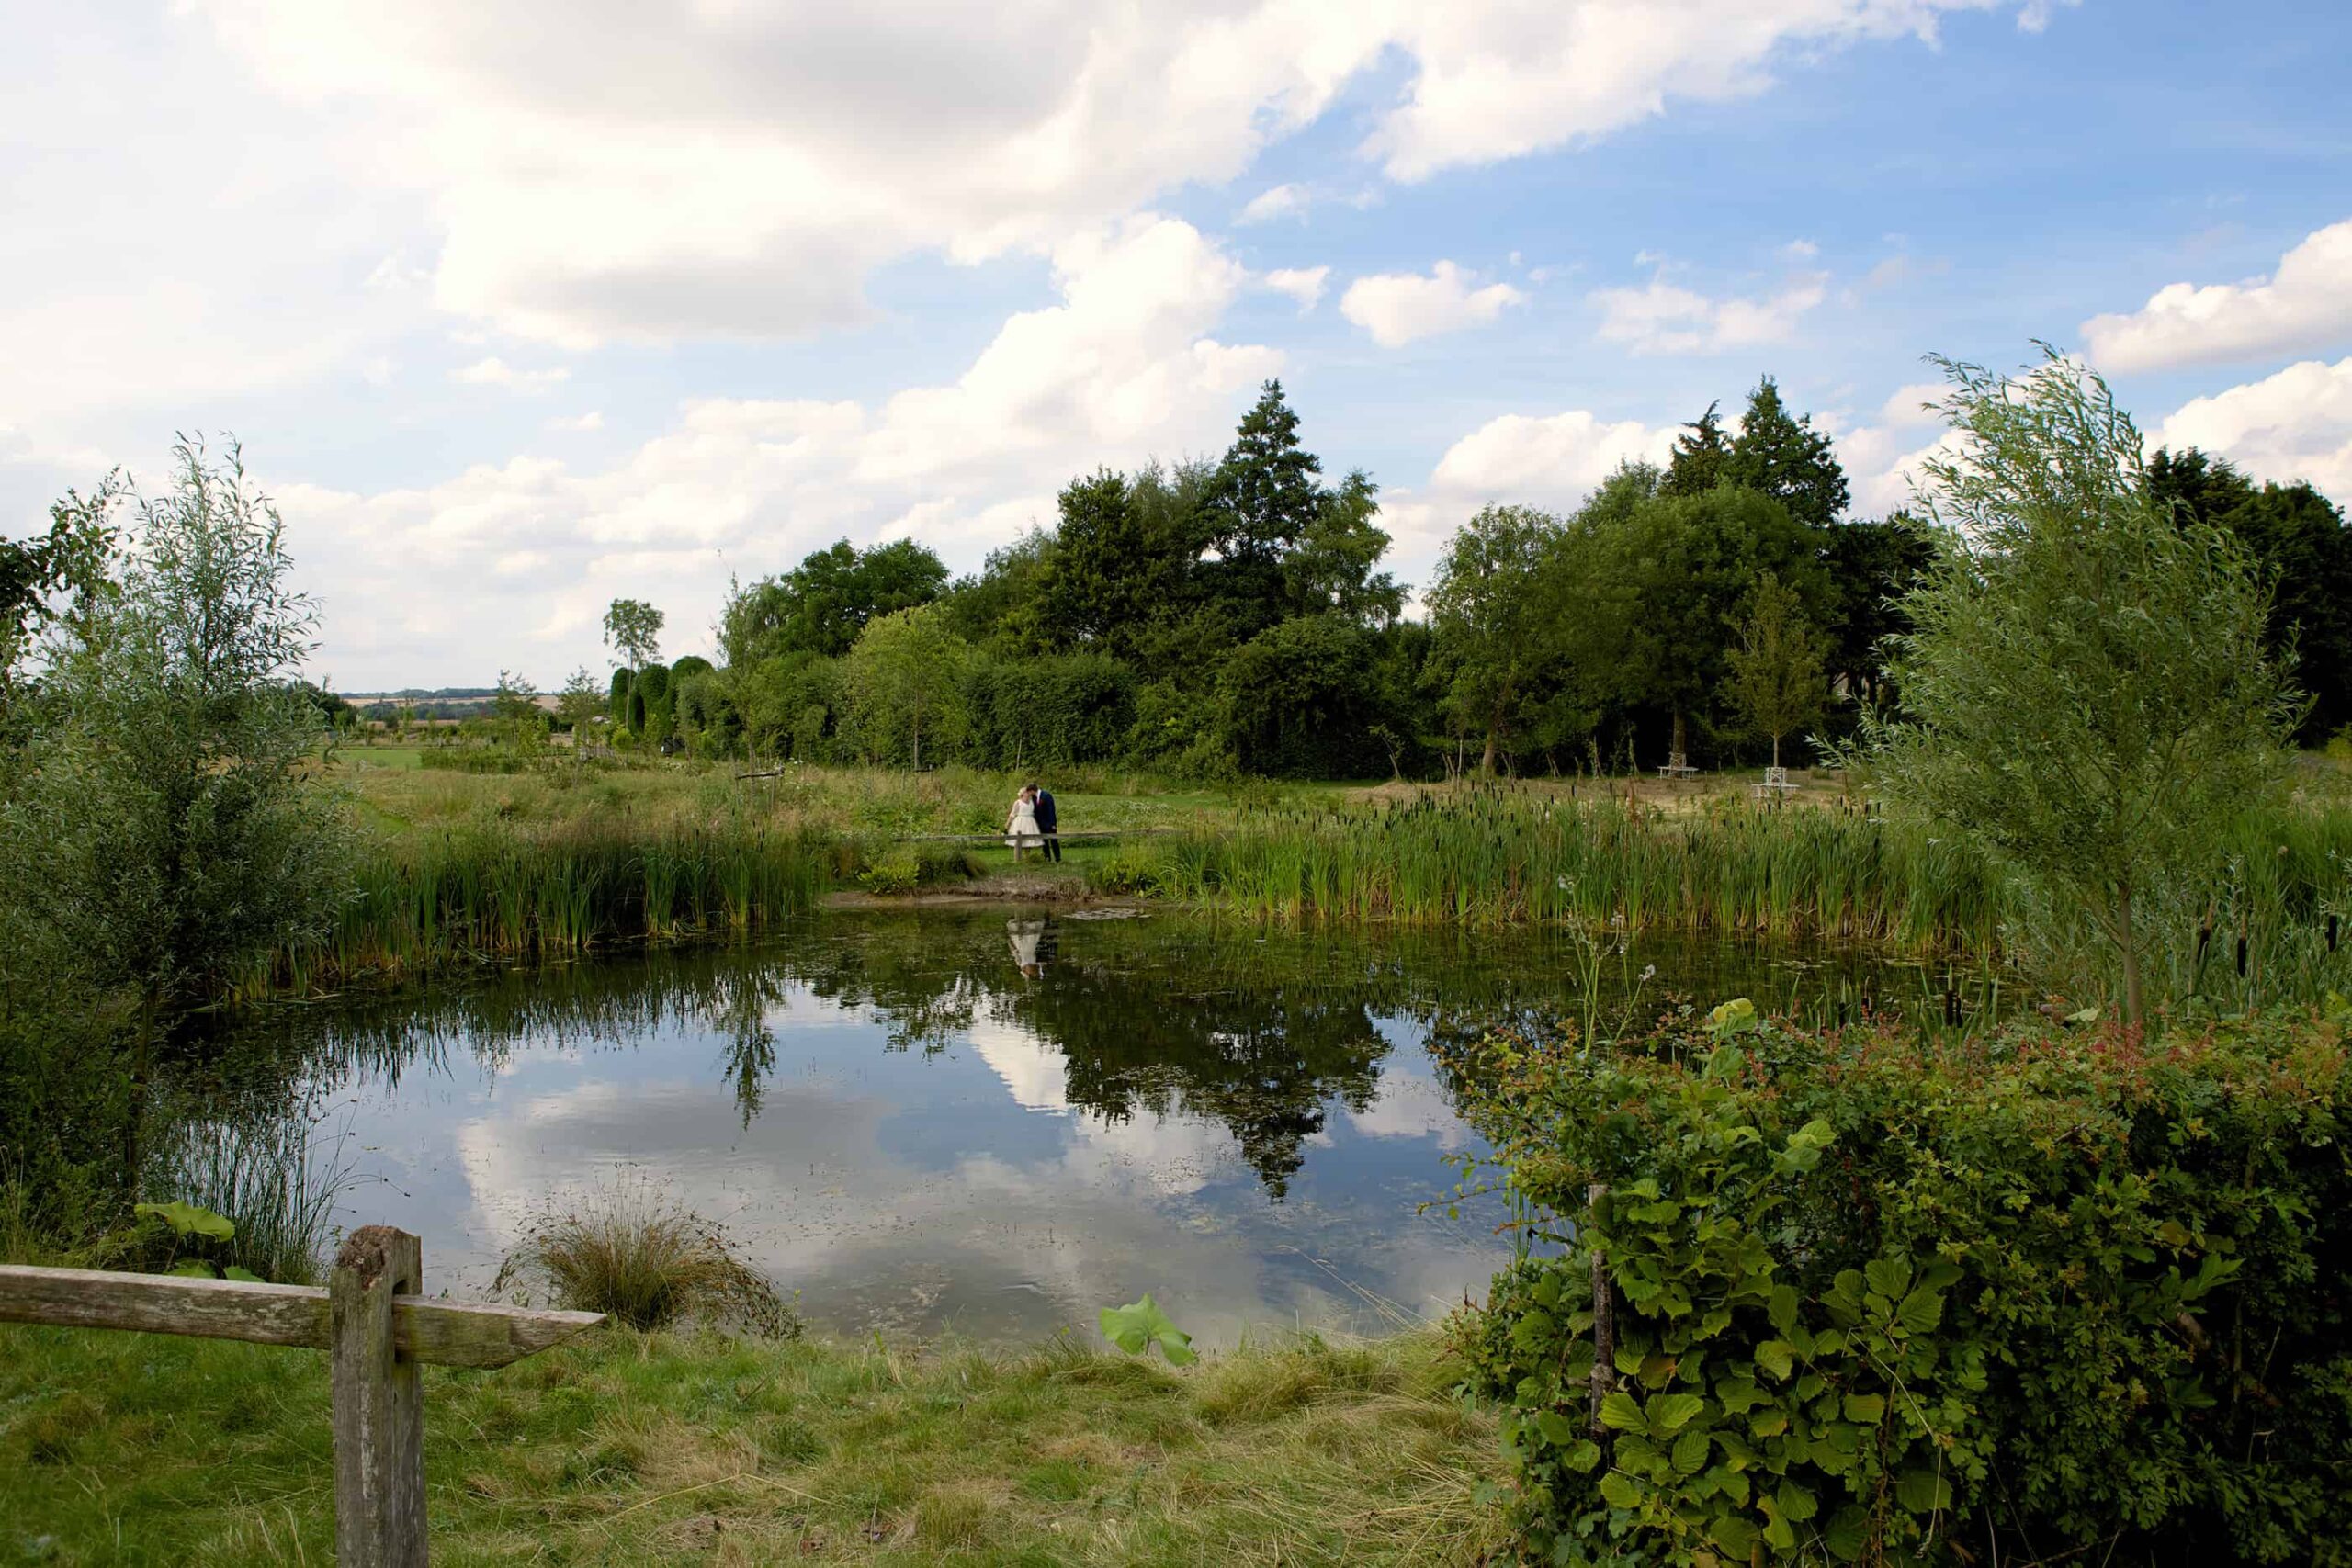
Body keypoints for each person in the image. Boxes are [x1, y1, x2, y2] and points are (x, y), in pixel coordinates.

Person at [1005, 784, 1041, 861]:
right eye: (1026, 792)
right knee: (1017, 841)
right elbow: (1012, 814)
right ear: (1022, 794)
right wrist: (1007, 824)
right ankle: (1017, 859)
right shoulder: (1018, 802)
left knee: (1029, 841)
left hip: (1030, 822)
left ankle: (1027, 858)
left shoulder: (1032, 802)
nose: (1028, 793)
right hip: (1020, 822)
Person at [1030, 781, 1060, 863]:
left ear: (1033, 790)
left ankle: (1058, 858)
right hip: (1041, 823)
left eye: (1030, 792)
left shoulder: (1046, 795)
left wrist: (1053, 823)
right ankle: (1047, 858)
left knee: (1054, 841)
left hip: (1049, 822)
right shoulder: (1034, 798)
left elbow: (1051, 810)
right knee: (1044, 842)